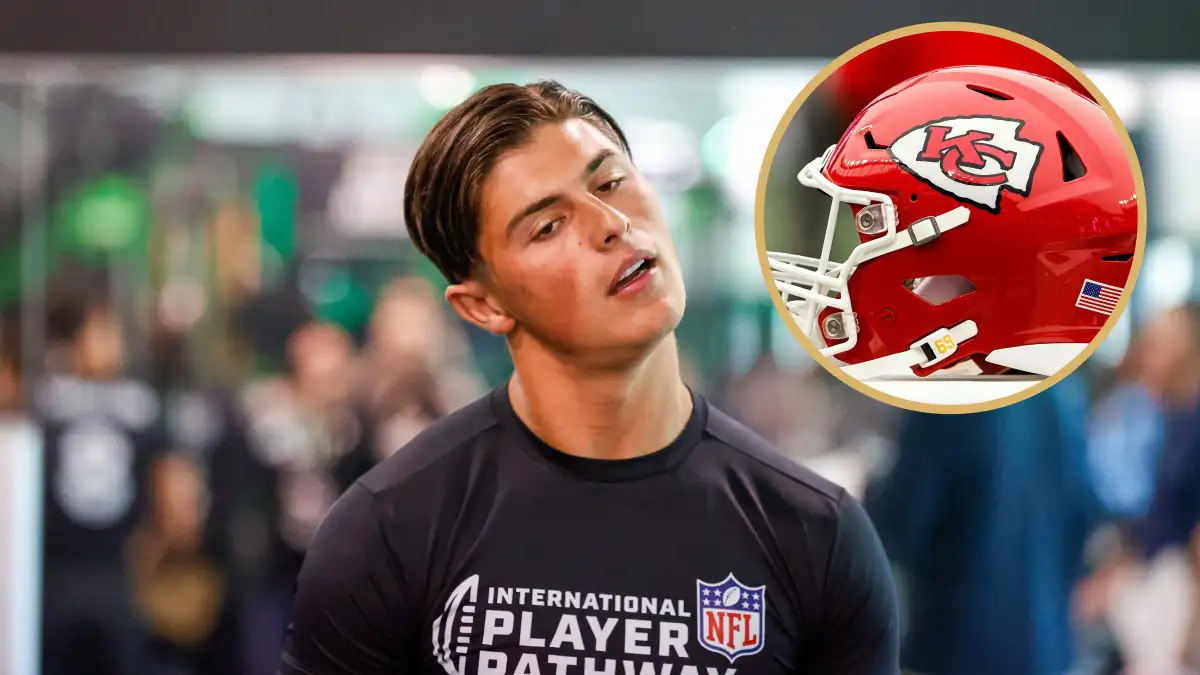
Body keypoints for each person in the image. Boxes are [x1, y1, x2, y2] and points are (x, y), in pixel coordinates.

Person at [279, 80, 900, 675]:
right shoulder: (386, 534)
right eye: (548, 226)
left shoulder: (817, 535)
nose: (611, 223)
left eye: (612, 182)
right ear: (485, 306)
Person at [863, 373, 1103, 675]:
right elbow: (1085, 515)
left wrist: (868, 492)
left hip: (958, 648)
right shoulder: (1065, 390)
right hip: (1047, 649)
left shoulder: (948, 392)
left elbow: (902, 526)